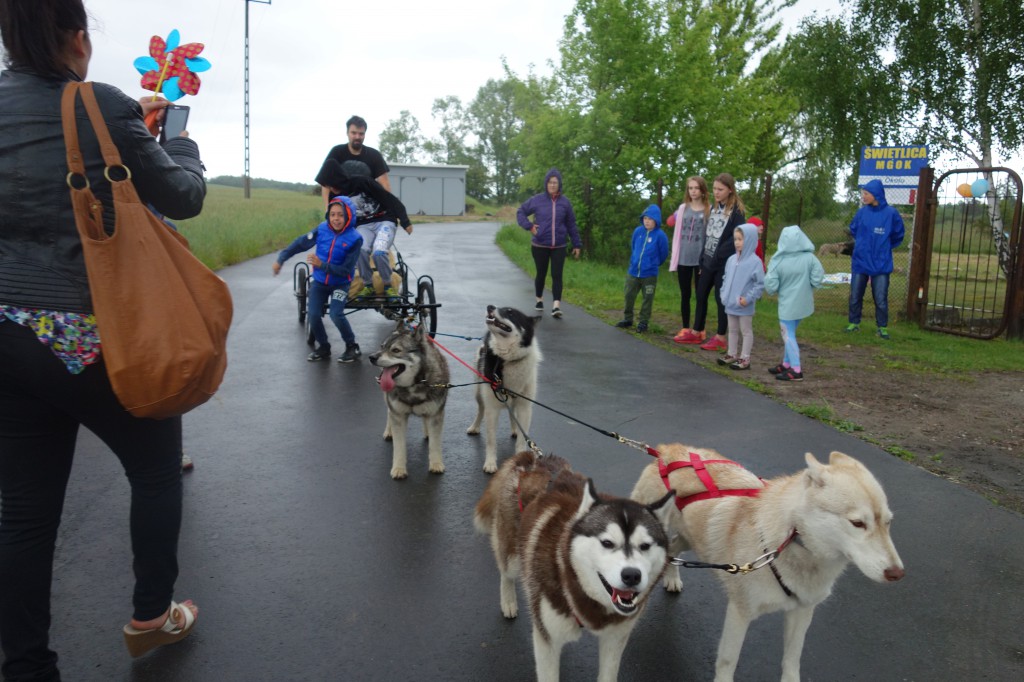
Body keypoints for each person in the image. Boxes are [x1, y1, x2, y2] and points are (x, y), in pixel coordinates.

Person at [0, 1, 206, 676]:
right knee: (153, 469)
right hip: (97, 336)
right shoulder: (101, 103)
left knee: (26, 514)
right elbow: (181, 197)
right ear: (78, 38)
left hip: (10, 336)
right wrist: (177, 140)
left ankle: (28, 665)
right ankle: (152, 615)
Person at [272, 197, 363, 363]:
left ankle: (352, 346)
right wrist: (281, 258)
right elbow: (300, 243)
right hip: (320, 282)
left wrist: (322, 265)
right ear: (328, 215)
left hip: (340, 284)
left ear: (348, 216)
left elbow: (345, 271)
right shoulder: (322, 229)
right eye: (332, 214)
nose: (336, 218)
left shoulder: (355, 239)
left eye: (340, 215)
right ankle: (324, 347)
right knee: (313, 314)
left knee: (336, 314)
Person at [315, 158, 412, 300]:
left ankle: (388, 286)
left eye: (331, 184)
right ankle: (368, 285)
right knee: (359, 249)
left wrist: (405, 221)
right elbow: (337, 216)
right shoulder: (336, 196)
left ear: (337, 179)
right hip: (363, 225)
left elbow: (389, 198)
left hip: (384, 220)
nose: (330, 188)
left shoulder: (362, 182)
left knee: (379, 252)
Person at [676, 173, 746, 351]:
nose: (716, 192)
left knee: (720, 299)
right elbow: (707, 234)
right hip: (707, 260)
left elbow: (736, 237)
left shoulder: (736, 211)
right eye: (714, 189)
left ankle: (721, 336)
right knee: (700, 294)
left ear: (730, 190)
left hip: (722, 263)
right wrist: (702, 258)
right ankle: (697, 330)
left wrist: (718, 254)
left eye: (720, 189)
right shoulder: (714, 208)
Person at [516, 168, 582, 318]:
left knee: (557, 275)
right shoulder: (537, 200)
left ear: (559, 185)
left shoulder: (565, 203)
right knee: (541, 274)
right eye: (550, 182)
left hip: (559, 245)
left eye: (555, 182)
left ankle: (556, 306)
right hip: (540, 245)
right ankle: (539, 299)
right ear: (546, 184)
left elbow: (571, 224)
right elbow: (520, 212)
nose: (552, 185)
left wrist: (577, 244)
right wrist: (530, 227)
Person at [764, 225, 826, 382]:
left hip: (787, 305)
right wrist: (811, 286)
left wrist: (773, 289)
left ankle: (796, 369)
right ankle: (786, 363)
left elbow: (771, 285)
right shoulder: (810, 258)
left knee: (787, 335)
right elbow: (818, 276)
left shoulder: (778, 260)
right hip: (804, 303)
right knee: (790, 333)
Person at [846, 179, 905, 339]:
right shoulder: (862, 213)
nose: (863, 197)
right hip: (860, 261)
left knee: (880, 298)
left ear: (876, 194)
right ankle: (854, 323)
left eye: (866, 194)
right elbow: (853, 229)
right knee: (855, 295)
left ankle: (882, 327)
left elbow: (898, 235)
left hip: (881, 263)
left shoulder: (891, 214)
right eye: (862, 194)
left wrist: (883, 247)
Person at [666, 176, 709, 342]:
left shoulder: (708, 210)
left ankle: (700, 328)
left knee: (701, 294)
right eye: (690, 188)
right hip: (683, 257)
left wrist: (706, 259)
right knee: (685, 294)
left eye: (696, 188)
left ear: (703, 190)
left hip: (700, 260)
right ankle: (685, 327)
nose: (693, 191)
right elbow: (672, 221)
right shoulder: (683, 208)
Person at [717, 223, 764, 370]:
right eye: (735, 239)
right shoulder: (731, 260)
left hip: (744, 305)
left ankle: (745, 358)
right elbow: (725, 278)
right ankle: (732, 354)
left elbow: (760, 285)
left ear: (749, 240)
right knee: (732, 330)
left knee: (746, 331)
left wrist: (748, 299)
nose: (737, 242)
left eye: (740, 239)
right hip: (730, 304)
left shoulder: (755, 262)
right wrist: (723, 294)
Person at [615, 204, 668, 333]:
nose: (647, 221)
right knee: (628, 295)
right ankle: (628, 319)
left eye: (650, 219)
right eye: (645, 218)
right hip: (633, 272)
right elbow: (633, 247)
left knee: (647, 299)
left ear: (656, 220)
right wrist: (635, 261)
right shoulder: (638, 231)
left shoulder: (660, 236)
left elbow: (663, 254)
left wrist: (652, 263)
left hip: (649, 274)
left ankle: (643, 322)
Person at [320, 115, 391, 203]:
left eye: (361, 134)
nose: (357, 137)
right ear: (347, 133)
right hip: (341, 208)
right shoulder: (336, 152)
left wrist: (388, 208)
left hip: (367, 208)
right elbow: (325, 183)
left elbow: (385, 185)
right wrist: (328, 209)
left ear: (365, 134)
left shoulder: (374, 155)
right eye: (353, 133)